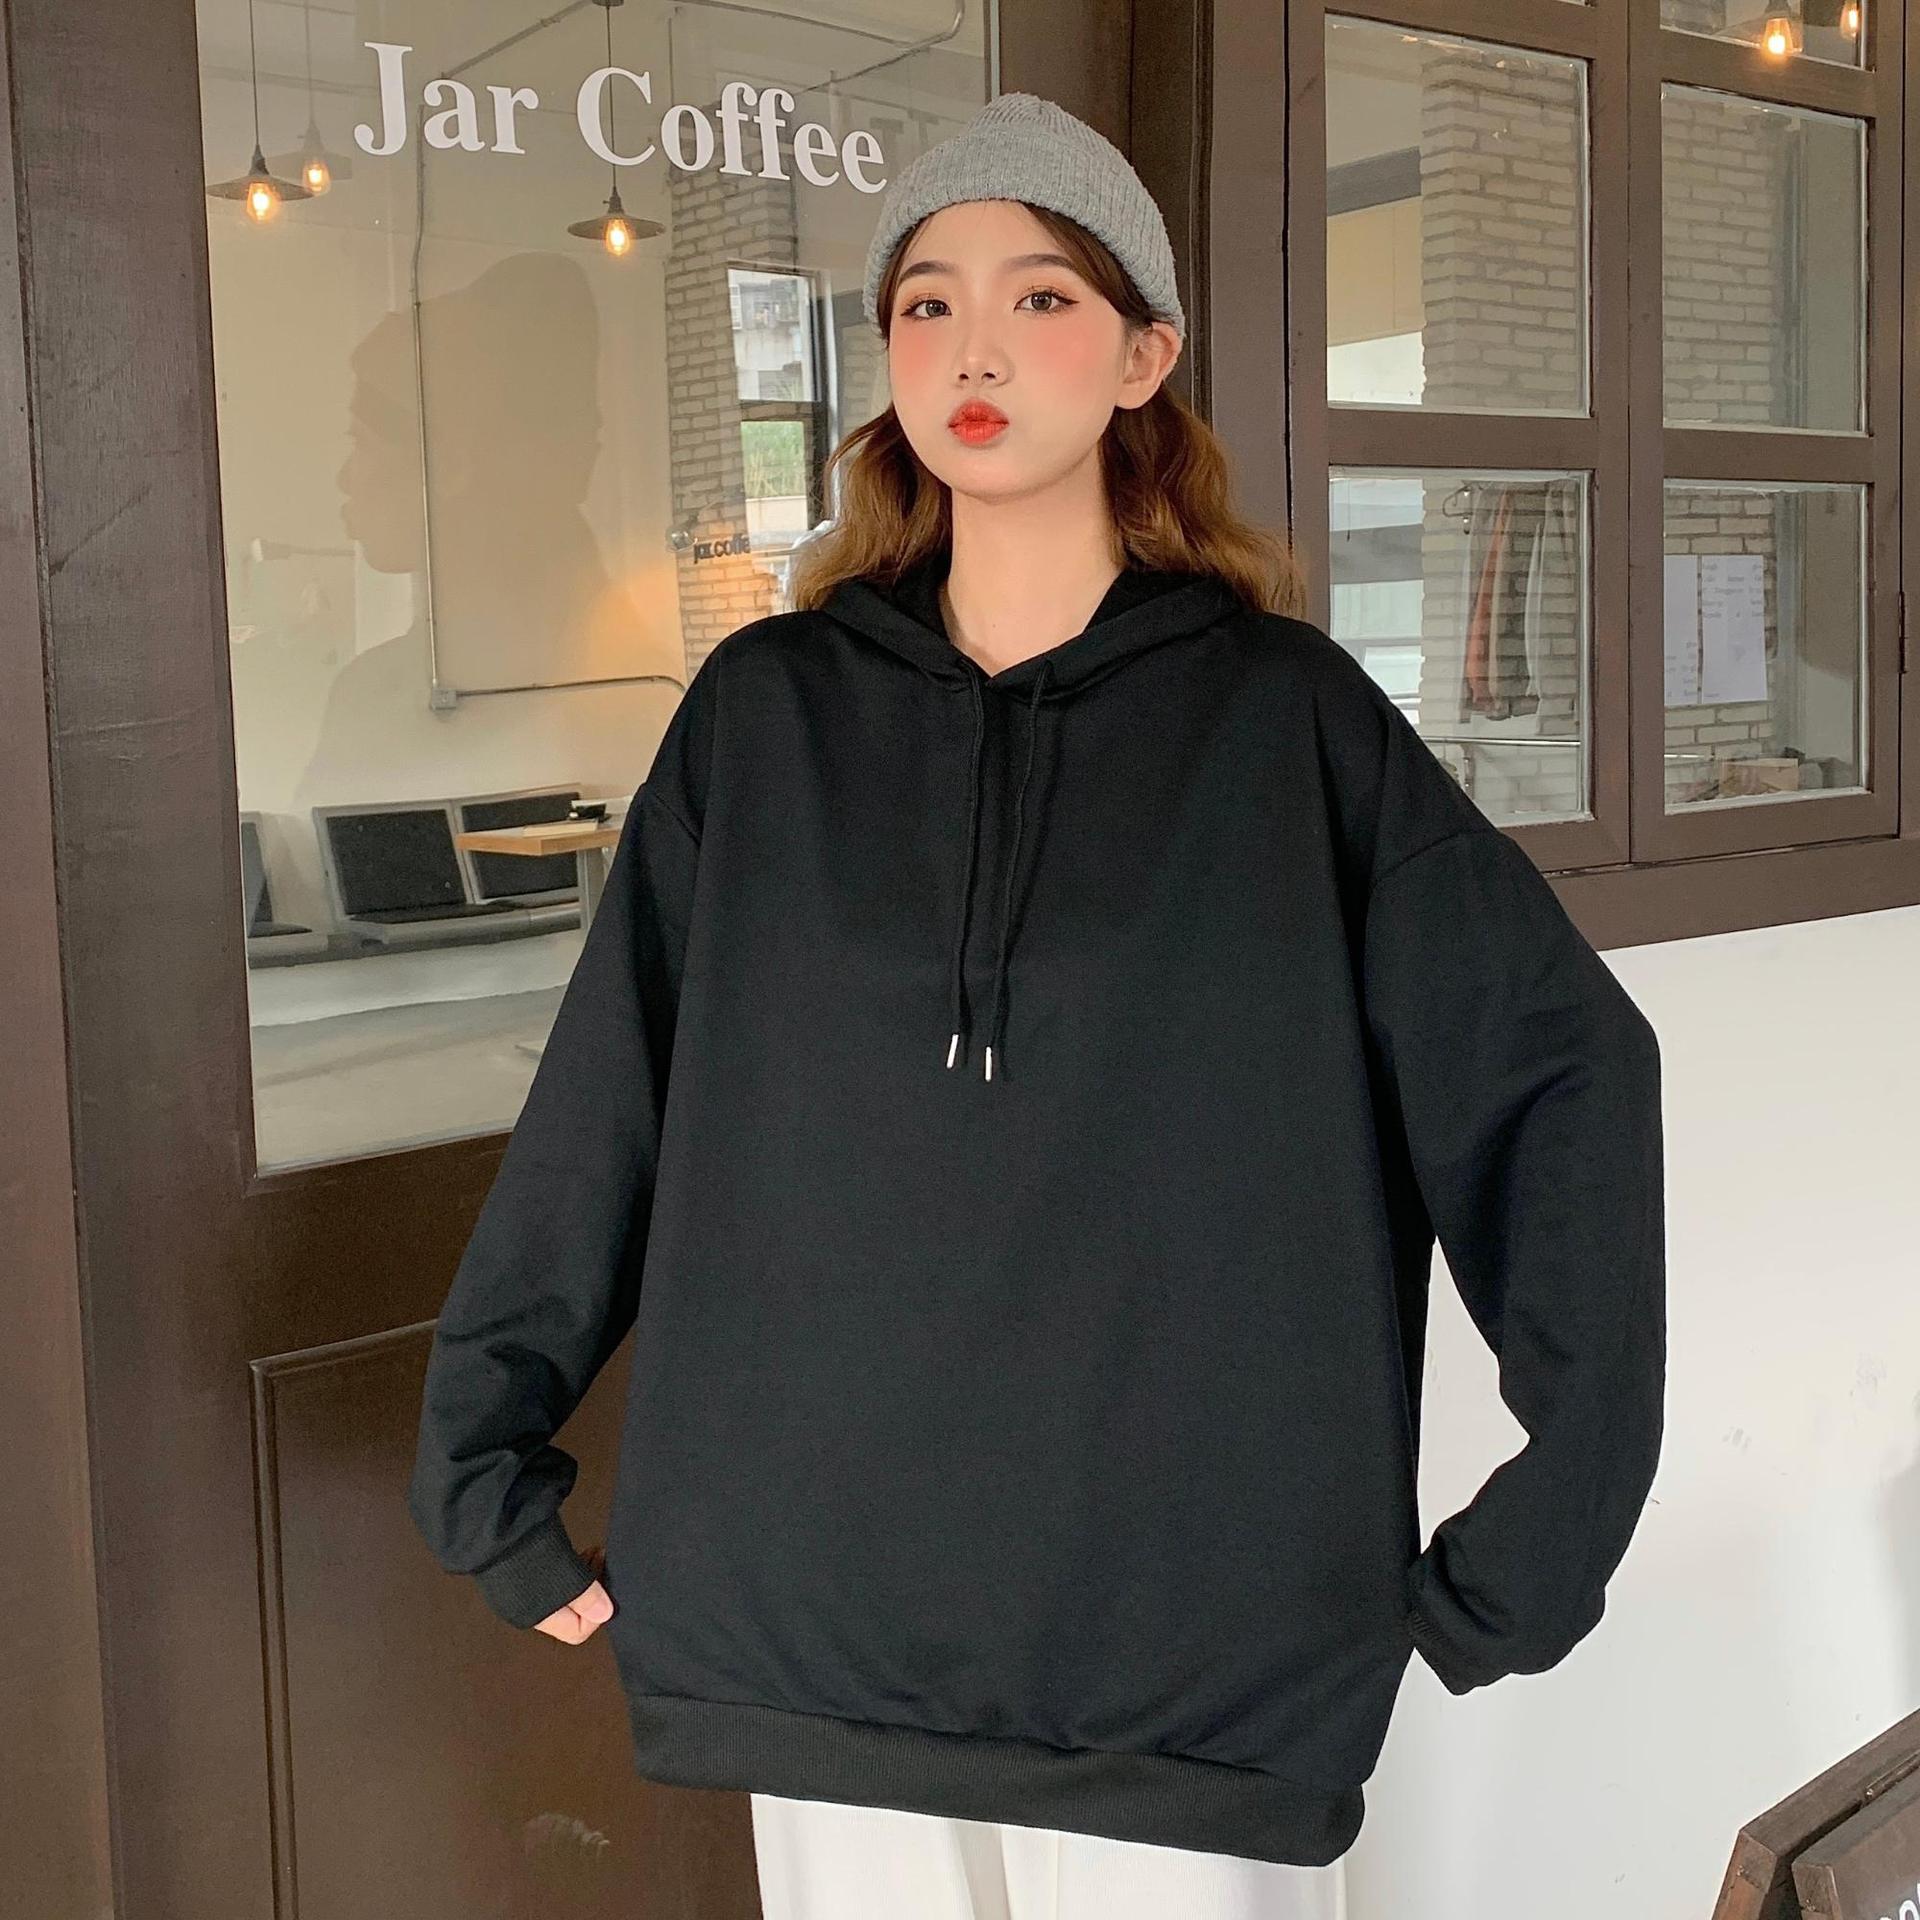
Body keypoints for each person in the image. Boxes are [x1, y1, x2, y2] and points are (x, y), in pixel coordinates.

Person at [407, 91, 1667, 1918]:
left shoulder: (1287, 726)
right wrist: (480, 1455)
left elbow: (1558, 1076)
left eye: (1042, 298)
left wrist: (1555, 1522)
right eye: (927, 303)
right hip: (803, 1624)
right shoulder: (766, 718)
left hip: (1197, 1653)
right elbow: (612, 1095)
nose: (974, 348)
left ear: (1145, 355)